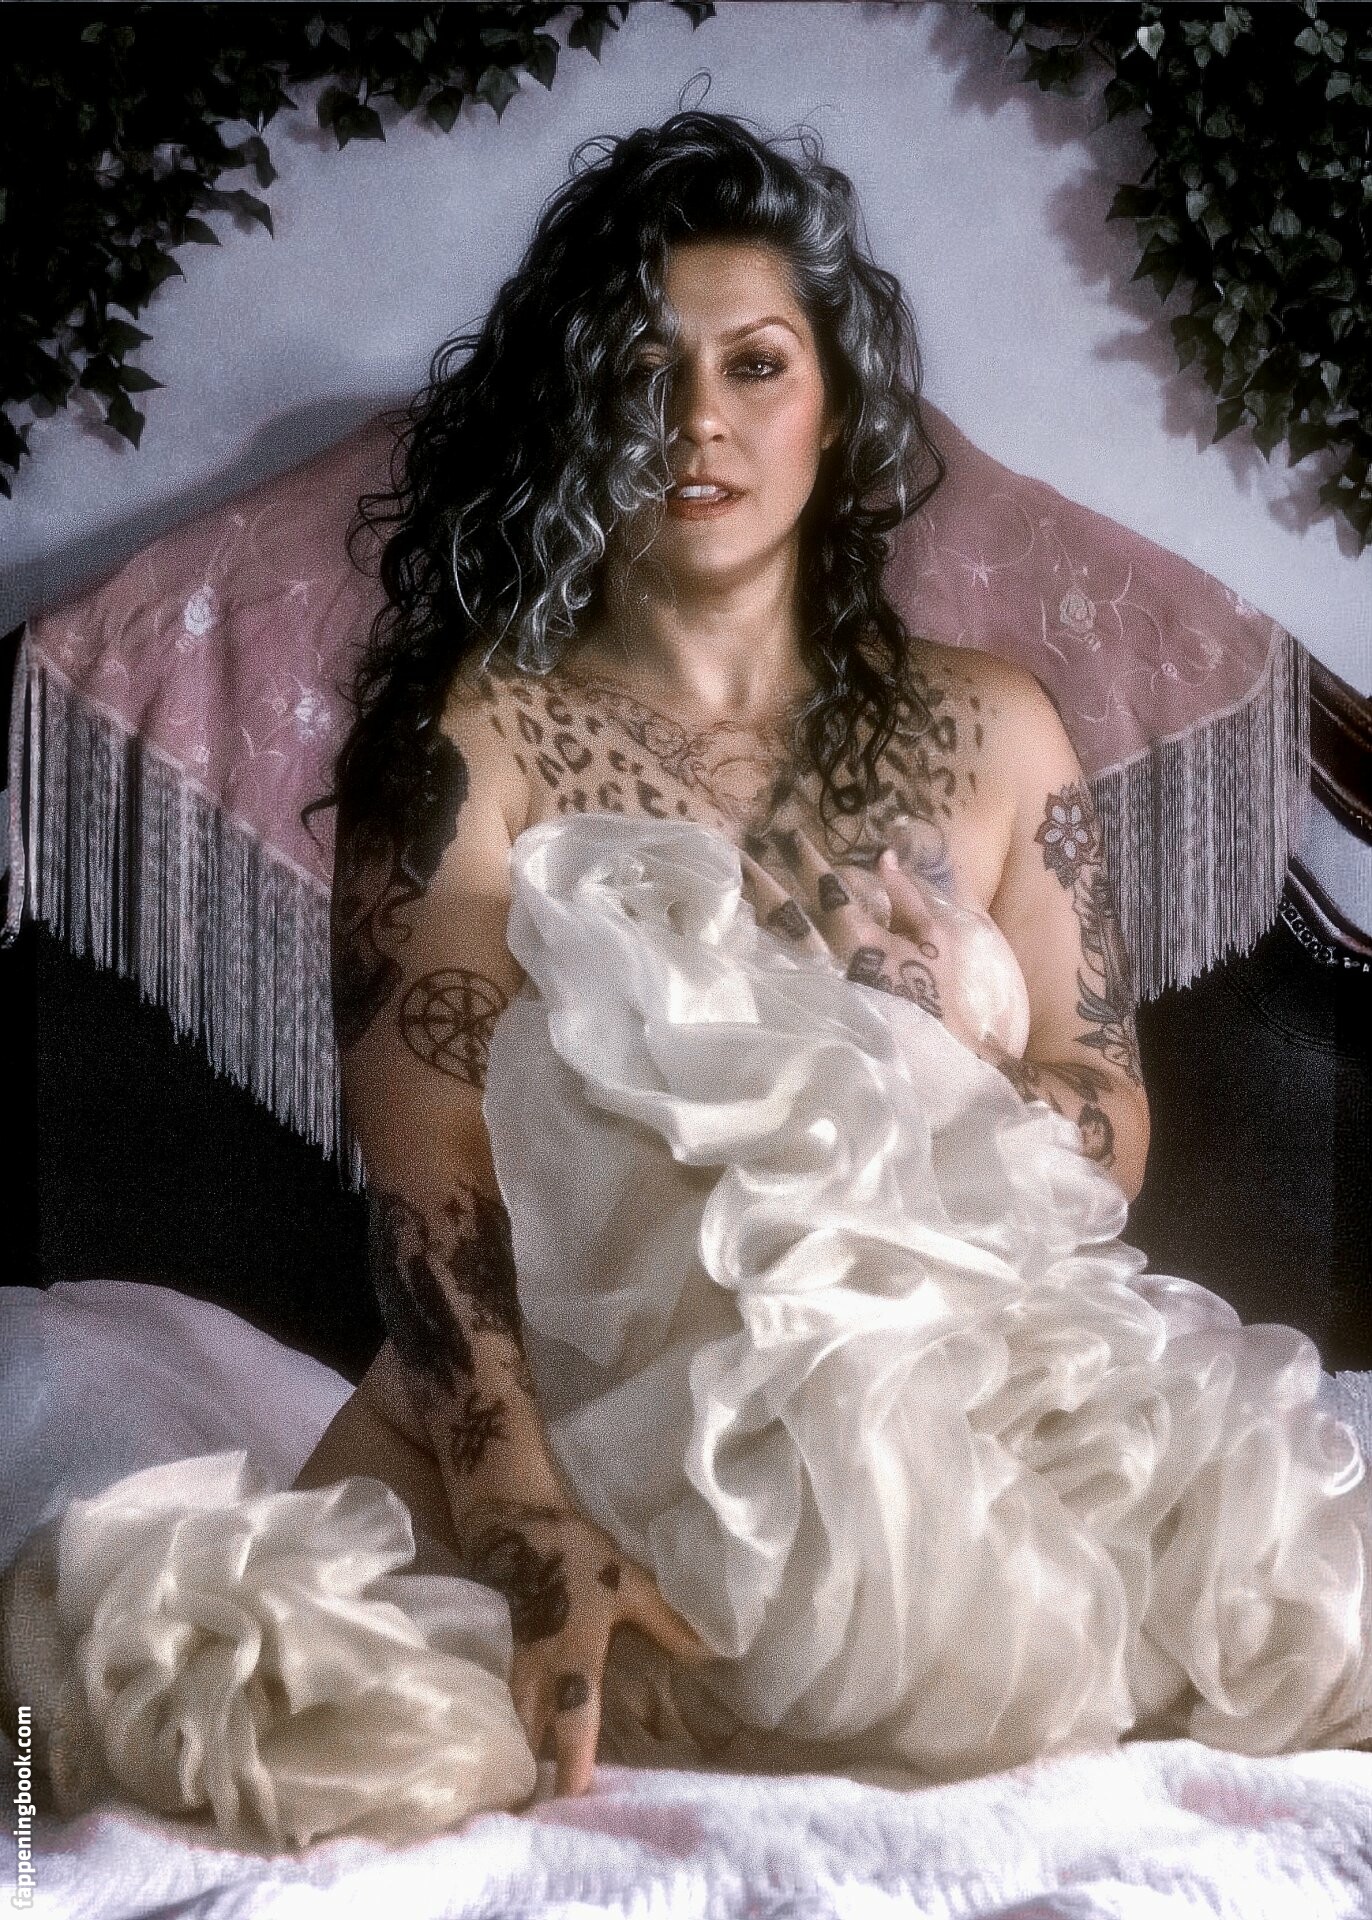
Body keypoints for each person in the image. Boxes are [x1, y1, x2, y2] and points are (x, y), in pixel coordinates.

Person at [292, 108, 1372, 1801]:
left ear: (838, 407)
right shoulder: (467, 747)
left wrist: (970, 1047)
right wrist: (522, 1525)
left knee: (1291, 1608)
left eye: (755, 365)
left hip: (972, 1403)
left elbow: (1109, 1134)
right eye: (640, 368)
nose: (696, 420)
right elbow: (435, 1200)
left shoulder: (997, 735)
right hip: (602, 1439)